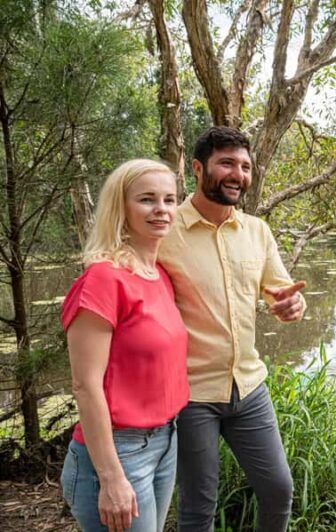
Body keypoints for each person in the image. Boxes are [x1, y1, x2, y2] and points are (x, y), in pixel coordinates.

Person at [158, 126, 306, 532]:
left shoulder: (256, 231)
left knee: (278, 490)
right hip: (192, 395)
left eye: (244, 166)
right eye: (226, 163)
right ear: (197, 167)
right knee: (198, 507)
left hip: (250, 387)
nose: (237, 174)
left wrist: (291, 304)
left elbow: (281, 289)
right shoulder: (164, 232)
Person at [60, 160, 189, 532]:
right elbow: (85, 385)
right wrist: (112, 478)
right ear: (121, 207)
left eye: (169, 199)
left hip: (165, 441)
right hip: (119, 452)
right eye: (147, 199)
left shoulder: (159, 274)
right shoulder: (103, 280)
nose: (161, 209)